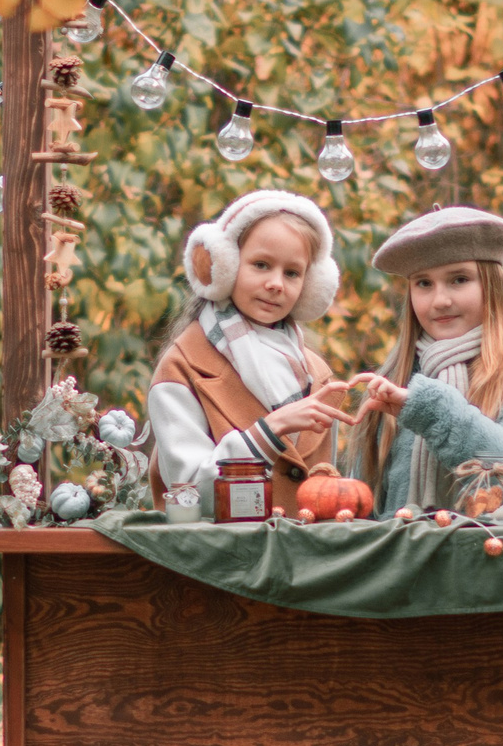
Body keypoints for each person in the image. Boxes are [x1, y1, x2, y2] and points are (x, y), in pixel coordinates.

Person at [350, 205, 503, 515]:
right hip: (401, 547)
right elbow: (362, 505)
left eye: (459, 279)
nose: (440, 300)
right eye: (424, 283)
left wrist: (434, 412)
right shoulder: (396, 376)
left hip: (490, 546)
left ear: (492, 285)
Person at [148, 188, 358, 516]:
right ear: (225, 266)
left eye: (292, 273)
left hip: (302, 548)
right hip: (220, 549)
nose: (276, 283)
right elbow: (187, 495)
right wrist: (267, 432)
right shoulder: (183, 367)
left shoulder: (318, 376)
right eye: (261, 265)